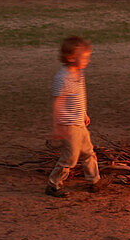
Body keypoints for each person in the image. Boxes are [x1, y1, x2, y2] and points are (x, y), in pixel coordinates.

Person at [47, 36, 109, 197]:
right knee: (70, 158)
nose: (88, 60)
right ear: (71, 58)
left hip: (79, 123)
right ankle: (53, 184)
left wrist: (84, 113)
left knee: (88, 152)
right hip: (69, 126)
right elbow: (58, 104)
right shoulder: (62, 78)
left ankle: (94, 181)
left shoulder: (79, 73)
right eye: (85, 57)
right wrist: (58, 128)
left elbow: (80, 96)